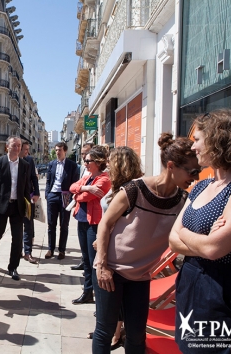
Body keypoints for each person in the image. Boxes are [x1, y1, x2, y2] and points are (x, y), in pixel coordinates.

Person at [93, 133, 199, 353]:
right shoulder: (135, 189)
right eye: (192, 171)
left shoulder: (182, 200)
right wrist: (101, 264)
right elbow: (105, 224)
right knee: (105, 331)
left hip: (141, 276)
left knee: (136, 335)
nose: (195, 177)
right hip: (111, 271)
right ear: (171, 166)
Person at [169, 110, 231, 353]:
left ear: (219, 140)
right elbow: (172, 240)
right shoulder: (202, 185)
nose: (194, 148)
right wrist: (203, 241)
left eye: (198, 140)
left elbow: (215, 248)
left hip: (220, 287)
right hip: (191, 280)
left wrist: (191, 236)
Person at [89, 146, 144, 349]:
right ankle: (116, 332)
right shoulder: (118, 187)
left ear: (120, 164)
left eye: (111, 162)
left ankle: (116, 334)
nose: (107, 166)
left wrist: (105, 241)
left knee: (109, 328)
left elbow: (131, 224)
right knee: (107, 323)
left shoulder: (132, 190)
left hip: (115, 261)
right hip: (108, 256)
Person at [70, 145, 111, 305]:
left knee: (95, 262)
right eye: (85, 160)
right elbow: (72, 187)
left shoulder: (104, 179)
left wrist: (79, 193)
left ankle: (100, 298)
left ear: (98, 162)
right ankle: (87, 292)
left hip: (94, 224)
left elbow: (82, 198)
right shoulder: (88, 178)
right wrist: (85, 187)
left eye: (88, 160)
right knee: (86, 260)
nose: (85, 163)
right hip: (82, 221)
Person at [0, 136, 31, 281]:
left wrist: (27, 205)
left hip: (17, 207)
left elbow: (26, 187)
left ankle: (13, 267)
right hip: (1, 206)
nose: (17, 148)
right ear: (7, 147)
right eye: (14, 146)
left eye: (19, 146)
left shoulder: (25, 165)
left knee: (17, 238)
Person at [45, 141, 80, 260]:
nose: (57, 152)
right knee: (51, 224)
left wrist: (72, 197)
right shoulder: (51, 164)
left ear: (65, 151)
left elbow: (75, 182)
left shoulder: (72, 165)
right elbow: (49, 180)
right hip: (53, 196)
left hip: (65, 196)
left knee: (64, 225)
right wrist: (47, 194)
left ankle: (62, 250)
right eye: (56, 150)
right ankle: (50, 249)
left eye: (60, 150)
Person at [72, 142, 95, 271]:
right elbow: (74, 187)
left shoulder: (100, 174)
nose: (83, 157)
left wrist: (77, 194)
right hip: (81, 210)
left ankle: (89, 271)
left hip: (92, 212)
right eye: (82, 154)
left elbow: (89, 195)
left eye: (86, 153)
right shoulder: (82, 168)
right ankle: (83, 262)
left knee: (90, 243)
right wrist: (81, 190)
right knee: (83, 241)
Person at [19, 141, 40, 264]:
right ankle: (18, 251)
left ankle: (28, 253)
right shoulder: (12, 161)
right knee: (17, 227)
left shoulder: (30, 160)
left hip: (28, 197)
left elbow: (34, 177)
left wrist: (36, 193)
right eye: (25, 149)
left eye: (28, 149)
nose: (27, 151)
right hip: (15, 199)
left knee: (28, 225)